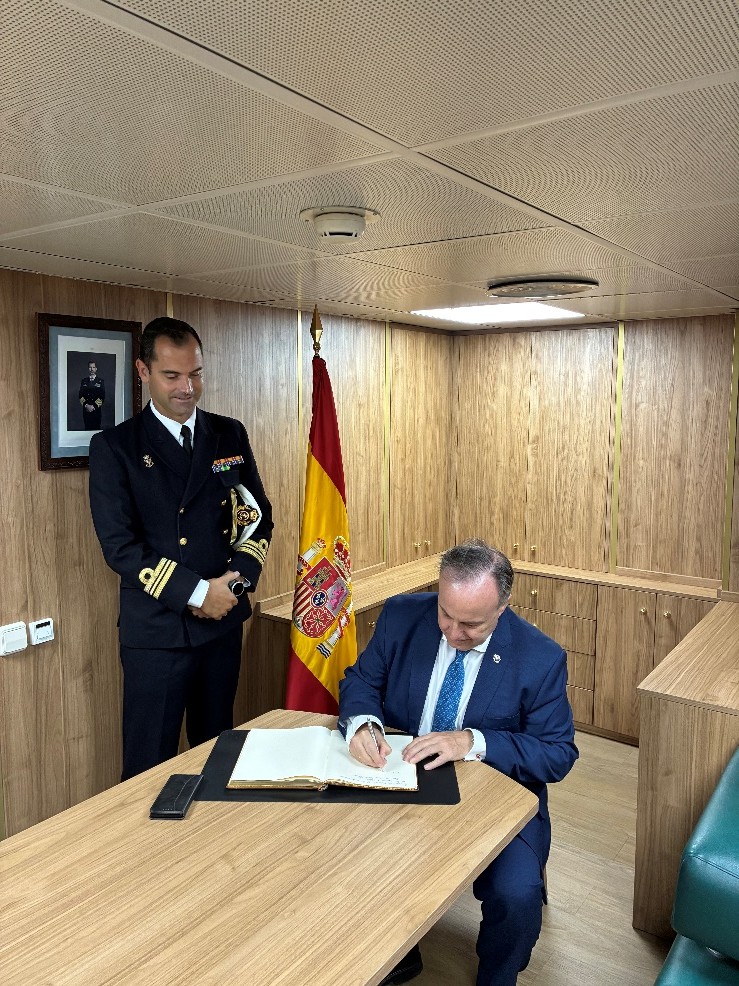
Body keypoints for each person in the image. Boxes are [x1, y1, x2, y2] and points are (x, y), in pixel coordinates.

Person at [339, 539, 578, 986]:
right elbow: (360, 682)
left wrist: (473, 740)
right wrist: (363, 725)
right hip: (401, 776)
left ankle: (497, 975)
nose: (452, 632)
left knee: (517, 894)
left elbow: (558, 754)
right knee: (340, 853)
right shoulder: (401, 615)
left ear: (502, 608)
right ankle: (389, 956)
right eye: (445, 615)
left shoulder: (540, 658)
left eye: (470, 624)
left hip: (494, 792)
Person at [89, 316, 273, 780]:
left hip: (223, 624)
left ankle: (213, 851)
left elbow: (258, 516)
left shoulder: (228, 433)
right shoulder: (116, 447)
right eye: (172, 375)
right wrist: (197, 594)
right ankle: (147, 853)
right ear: (143, 371)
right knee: (150, 763)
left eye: (196, 373)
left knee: (217, 752)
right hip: (157, 634)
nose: (187, 387)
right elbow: (120, 547)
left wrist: (233, 583)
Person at [79, 360, 105, 430]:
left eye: (93, 367)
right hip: (86, 411)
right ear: (88, 369)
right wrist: (86, 405)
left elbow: (102, 396)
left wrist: (93, 406)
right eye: (90, 367)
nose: (92, 369)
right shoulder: (84, 381)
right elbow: (80, 396)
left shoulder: (101, 381)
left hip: (96, 411)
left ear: (96, 369)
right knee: (87, 429)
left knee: (96, 430)